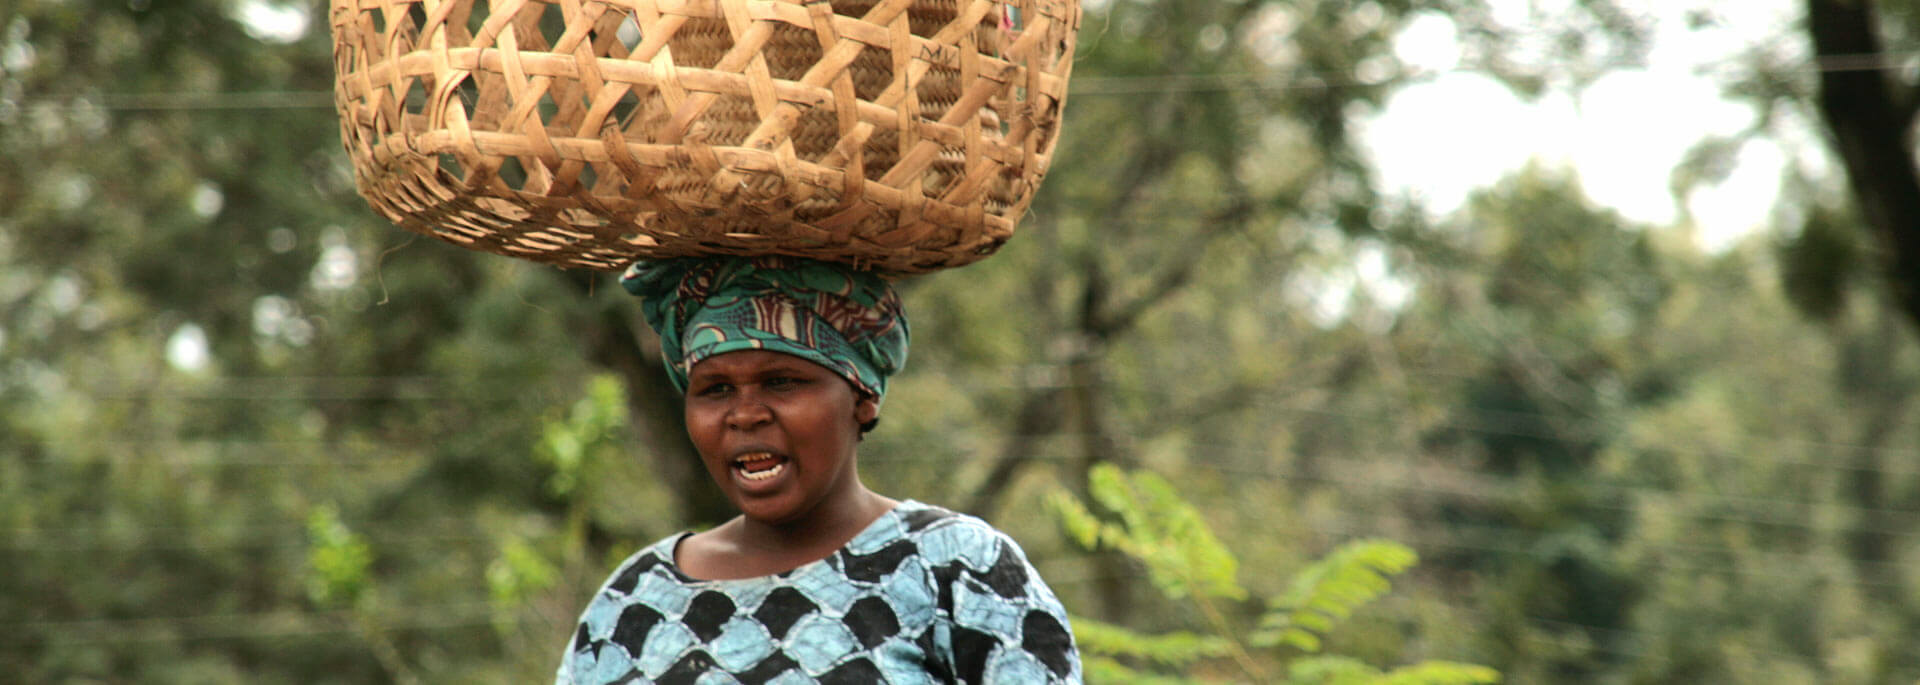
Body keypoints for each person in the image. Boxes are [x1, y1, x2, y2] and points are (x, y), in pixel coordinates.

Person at [556, 256, 1081, 684]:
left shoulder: (955, 570)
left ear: (862, 397)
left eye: (782, 381)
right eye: (715, 389)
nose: (745, 413)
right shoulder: (634, 601)